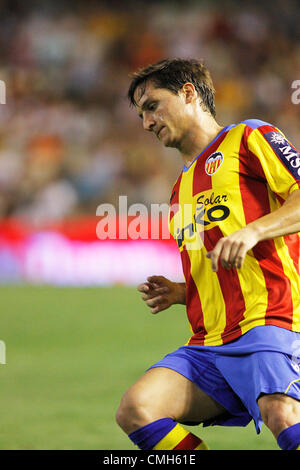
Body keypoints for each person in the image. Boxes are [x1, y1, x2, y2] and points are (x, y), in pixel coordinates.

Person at [115, 58, 300, 451]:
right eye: (141, 114)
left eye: (152, 106)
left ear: (187, 92)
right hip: (210, 343)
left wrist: (254, 230)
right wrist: (185, 291)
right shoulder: (179, 188)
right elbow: (227, 265)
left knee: (281, 413)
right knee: (137, 409)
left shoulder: (250, 138)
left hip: (269, 321)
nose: (146, 122)